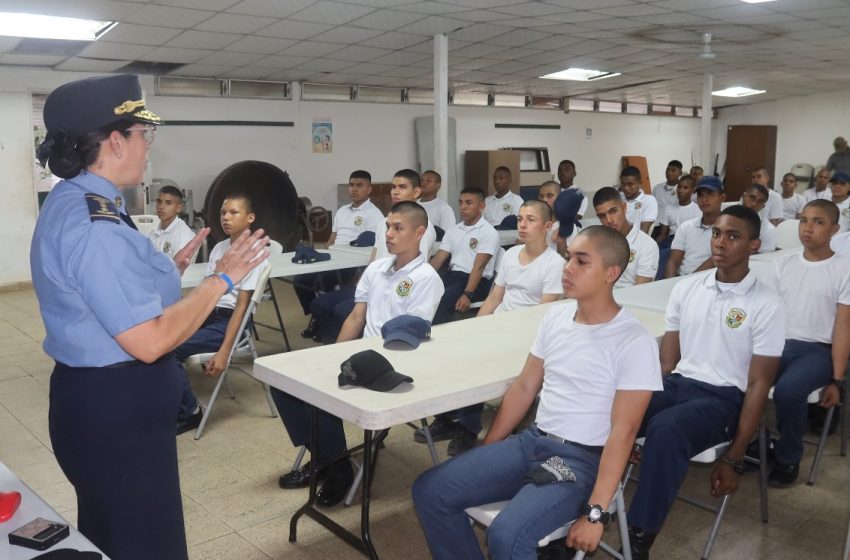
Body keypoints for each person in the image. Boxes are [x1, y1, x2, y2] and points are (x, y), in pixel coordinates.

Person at [30, 74, 268, 560]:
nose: (148, 145)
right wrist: (220, 279)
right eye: (144, 134)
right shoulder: (96, 226)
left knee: (114, 534)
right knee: (146, 544)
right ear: (115, 141)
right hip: (117, 416)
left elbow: (99, 287)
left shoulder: (76, 198)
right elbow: (150, 341)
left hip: (98, 406)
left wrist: (165, 269)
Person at [412, 225, 662, 560]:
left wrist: (596, 513)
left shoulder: (633, 341)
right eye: (568, 257)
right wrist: (488, 449)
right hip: (532, 441)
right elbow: (525, 387)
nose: (567, 267)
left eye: (581, 261)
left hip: (581, 460)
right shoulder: (556, 317)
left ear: (611, 273)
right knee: (430, 490)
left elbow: (624, 431)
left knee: (507, 536)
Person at [626, 205, 785, 559]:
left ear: (754, 245)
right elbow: (667, 363)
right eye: (717, 233)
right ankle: (585, 510)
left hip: (726, 397)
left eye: (733, 236)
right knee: (619, 404)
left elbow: (759, 385)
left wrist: (735, 457)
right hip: (680, 383)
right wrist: (633, 416)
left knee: (666, 428)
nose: (721, 242)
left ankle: (638, 536)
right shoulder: (686, 289)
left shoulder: (767, 303)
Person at [275, 201, 444, 507]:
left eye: (398, 228)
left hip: (394, 362)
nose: (389, 233)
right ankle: (327, 457)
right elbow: (355, 318)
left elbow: (411, 337)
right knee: (283, 382)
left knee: (320, 395)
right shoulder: (377, 267)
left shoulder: (427, 279)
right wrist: (334, 357)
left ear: (420, 233)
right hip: (361, 355)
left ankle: (337, 469)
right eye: (388, 226)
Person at [765, 200, 850, 487]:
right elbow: (769, 314)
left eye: (818, 221)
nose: (807, 228)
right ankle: (759, 443)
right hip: (778, 344)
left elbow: (843, 327)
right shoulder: (782, 263)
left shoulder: (844, 268)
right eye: (803, 220)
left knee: (788, 391)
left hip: (817, 350)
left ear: (835, 229)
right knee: (739, 377)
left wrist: (837, 380)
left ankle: (788, 458)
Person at [174, 193, 270, 434]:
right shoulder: (219, 247)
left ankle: (190, 410)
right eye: (223, 213)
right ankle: (168, 397)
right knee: (164, 337)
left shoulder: (253, 254)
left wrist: (225, 352)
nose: (226, 218)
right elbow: (207, 291)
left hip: (231, 320)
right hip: (210, 312)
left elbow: (241, 307)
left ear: (250, 218)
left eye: (233, 213)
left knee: (171, 349)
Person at [310, 169, 437, 344]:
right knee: (321, 304)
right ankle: (333, 346)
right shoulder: (383, 223)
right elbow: (375, 258)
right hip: (377, 278)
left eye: (402, 187)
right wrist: (362, 280)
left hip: (398, 283)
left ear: (416, 192)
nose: (395, 191)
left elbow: (412, 261)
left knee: (343, 310)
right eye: (393, 187)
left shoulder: (422, 229)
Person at [297, 170, 383, 338]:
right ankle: (316, 318)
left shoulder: (374, 215)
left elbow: (374, 245)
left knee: (322, 282)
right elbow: (332, 238)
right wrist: (325, 255)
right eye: (351, 185)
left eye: (359, 185)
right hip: (333, 258)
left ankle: (321, 322)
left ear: (369, 189)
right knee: (301, 280)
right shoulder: (342, 210)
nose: (354, 189)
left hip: (352, 264)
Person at [477, 199, 564, 316]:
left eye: (531, 220)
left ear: (547, 226)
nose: (522, 225)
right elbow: (494, 298)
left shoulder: (555, 263)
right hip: (499, 319)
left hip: (526, 326)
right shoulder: (510, 253)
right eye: (519, 219)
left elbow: (543, 313)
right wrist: (476, 325)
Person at [430, 187, 499, 325]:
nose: (463, 207)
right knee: (426, 290)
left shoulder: (488, 232)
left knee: (443, 297)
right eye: (461, 202)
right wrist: (419, 277)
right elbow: (438, 260)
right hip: (454, 275)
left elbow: (479, 267)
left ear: (481, 206)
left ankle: (436, 334)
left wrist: (467, 294)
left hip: (476, 281)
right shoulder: (453, 231)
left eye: (469, 203)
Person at [593, 187, 659, 288]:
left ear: (624, 207)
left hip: (630, 300)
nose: (609, 220)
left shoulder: (647, 245)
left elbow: (641, 290)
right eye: (602, 216)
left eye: (613, 211)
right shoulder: (598, 242)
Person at [664, 176, 725, 278]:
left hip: (711, 280)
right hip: (682, 278)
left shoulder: (729, 229)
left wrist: (688, 281)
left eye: (710, 194)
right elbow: (673, 262)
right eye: (700, 195)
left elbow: (716, 260)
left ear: (722, 198)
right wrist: (671, 284)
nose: (704, 199)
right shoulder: (686, 227)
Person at [148, 185, 196, 259]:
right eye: (159, 202)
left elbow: (178, 268)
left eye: (168, 203)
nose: (161, 207)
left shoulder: (182, 235)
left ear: (178, 208)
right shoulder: (152, 232)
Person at [654, 175, 700, 248]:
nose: (681, 190)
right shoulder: (668, 208)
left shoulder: (698, 210)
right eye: (679, 187)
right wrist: (654, 248)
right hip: (670, 241)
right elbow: (662, 235)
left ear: (693, 191)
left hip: (688, 242)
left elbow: (698, 235)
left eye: (685, 188)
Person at [740, 184, 778, 252]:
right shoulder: (725, 218)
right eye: (751, 197)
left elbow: (763, 257)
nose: (754, 203)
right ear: (743, 197)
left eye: (760, 201)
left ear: (763, 206)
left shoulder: (768, 229)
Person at [619, 165, 657, 234]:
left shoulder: (649, 200)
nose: (626, 188)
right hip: (615, 238)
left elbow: (644, 232)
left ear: (640, 183)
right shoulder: (618, 198)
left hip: (635, 240)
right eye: (623, 184)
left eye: (630, 184)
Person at [418, 169, 456, 236]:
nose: (423, 183)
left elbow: (449, 236)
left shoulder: (444, 209)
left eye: (428, 181)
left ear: (437, 186)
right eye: (421, 181)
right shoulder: (413, 204)